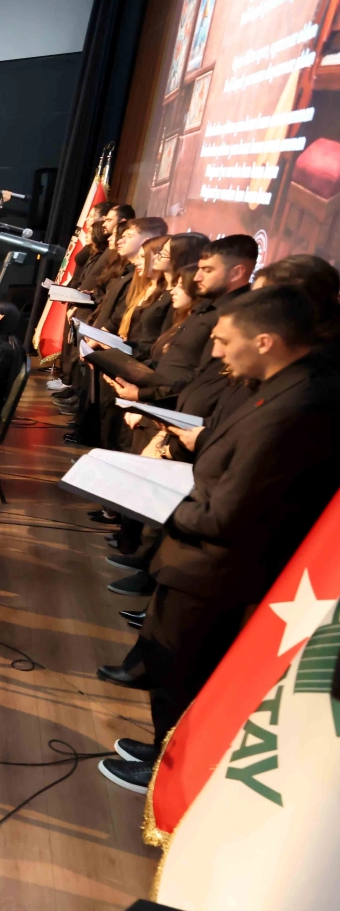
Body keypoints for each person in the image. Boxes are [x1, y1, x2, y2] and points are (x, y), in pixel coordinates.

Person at [98, 286, 340, 793]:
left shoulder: (298, 406)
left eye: (226, 342)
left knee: (182, 674)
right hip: (200, 559)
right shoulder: (278, 386)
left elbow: (231, 512)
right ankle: (168, 747)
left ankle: (171, 775)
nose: (217, 352)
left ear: (267, 341)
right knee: (169, 669)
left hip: (217, 569)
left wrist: (150, 499)